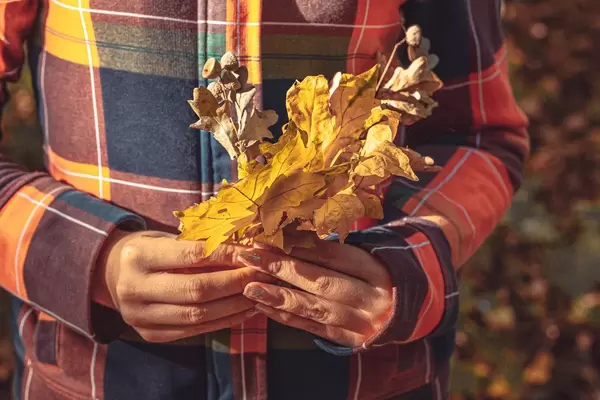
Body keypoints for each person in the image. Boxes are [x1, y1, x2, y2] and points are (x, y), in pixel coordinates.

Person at [0, 0, 529, 399]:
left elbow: (480, 135)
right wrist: (80, 256)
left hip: (359, 382)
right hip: (94, 378)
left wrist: (409, 263)